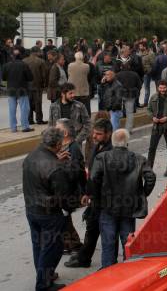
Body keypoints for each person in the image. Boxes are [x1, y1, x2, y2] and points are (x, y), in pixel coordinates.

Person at [89, 129, 156, 268]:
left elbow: (93, 179)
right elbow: (150, 177)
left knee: (108, 242)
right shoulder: (138, 158)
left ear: (113, 142)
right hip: (129, 206)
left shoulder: (102, 157)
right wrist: (142, 193)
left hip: (107, 206)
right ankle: (128, 270)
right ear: (127, 143)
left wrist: (97, 198)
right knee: (127, 241)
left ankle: (108, 272)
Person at [23, 127, 70, 290]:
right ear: (57, 144)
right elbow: (62, 196)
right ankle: (43, 284)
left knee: (38, 245)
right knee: (52, 248)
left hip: (31, 209)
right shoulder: (55, 167)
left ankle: (44, 274)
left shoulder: (31, 156)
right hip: (49, 214)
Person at [64, 119, 113, 268]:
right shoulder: (98, 146)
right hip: (94, 195)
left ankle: (87, 258)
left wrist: (91, 194)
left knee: (96, 228)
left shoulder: (110, 151)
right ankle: (84, 256)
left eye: (98, 134)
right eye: (94, 133)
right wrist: (87, 192)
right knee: (92, 227)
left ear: (108, 134)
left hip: (103, 198)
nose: (94, 136)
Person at [54, 118, 86, 255]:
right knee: (64, 218)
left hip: (69, 191)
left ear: (65, 133)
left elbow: (78, 173)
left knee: (64, 217)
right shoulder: (62, 146)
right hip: (62, 189)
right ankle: (71, 244)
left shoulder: (74, 149)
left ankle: (74, 245)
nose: (54, 131)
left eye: (57, 128)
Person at [2, 49, 34, 132]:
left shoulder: (6, 65)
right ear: (21, 56)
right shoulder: (24, 65)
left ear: (12, 56)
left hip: (11, 90)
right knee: (24, 109)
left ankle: (13, 128)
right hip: (22, 89)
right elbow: (30, 77)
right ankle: (25, 126)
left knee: (12, 109)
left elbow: (3, 78)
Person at [24, 47, 48, 125]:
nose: (40, 53)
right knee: (38, 103)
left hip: (27, 85)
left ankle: (30, 120)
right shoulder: (41, 61)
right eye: (39, 52)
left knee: (29, 103)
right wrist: (45, 84)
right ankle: (39, 119)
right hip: (38, 85)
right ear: (36, 52)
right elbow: (44, 75)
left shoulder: (24, 61)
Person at [116, 62, 142, 132]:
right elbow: (139, 85)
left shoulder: (118, 75)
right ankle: (128, 129)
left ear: (121, 67)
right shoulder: (135, 74)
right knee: (129, 113)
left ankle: (116, 128)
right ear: (129, 67)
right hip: (131, 95)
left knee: (117, 112)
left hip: (120, 94)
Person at [68, 51, 91, 115]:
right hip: (84, 90)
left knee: (73, 108)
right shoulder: (87, 66)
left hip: (73, 90)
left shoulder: (70, 65)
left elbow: (69, 74)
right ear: (82, 57)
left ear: (75, 57)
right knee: (85, 108)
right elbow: (87, 74)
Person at [139, 42, 155, 107]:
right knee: (140, 87)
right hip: (140, 73)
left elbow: (153, 63)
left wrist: (149, 71)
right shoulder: (140, 53)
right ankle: (138, 102)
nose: (139, 47)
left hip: (147, 73)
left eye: (141, 46)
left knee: (146, 88)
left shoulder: (150, 54)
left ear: (144, 47)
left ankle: (145, 103)